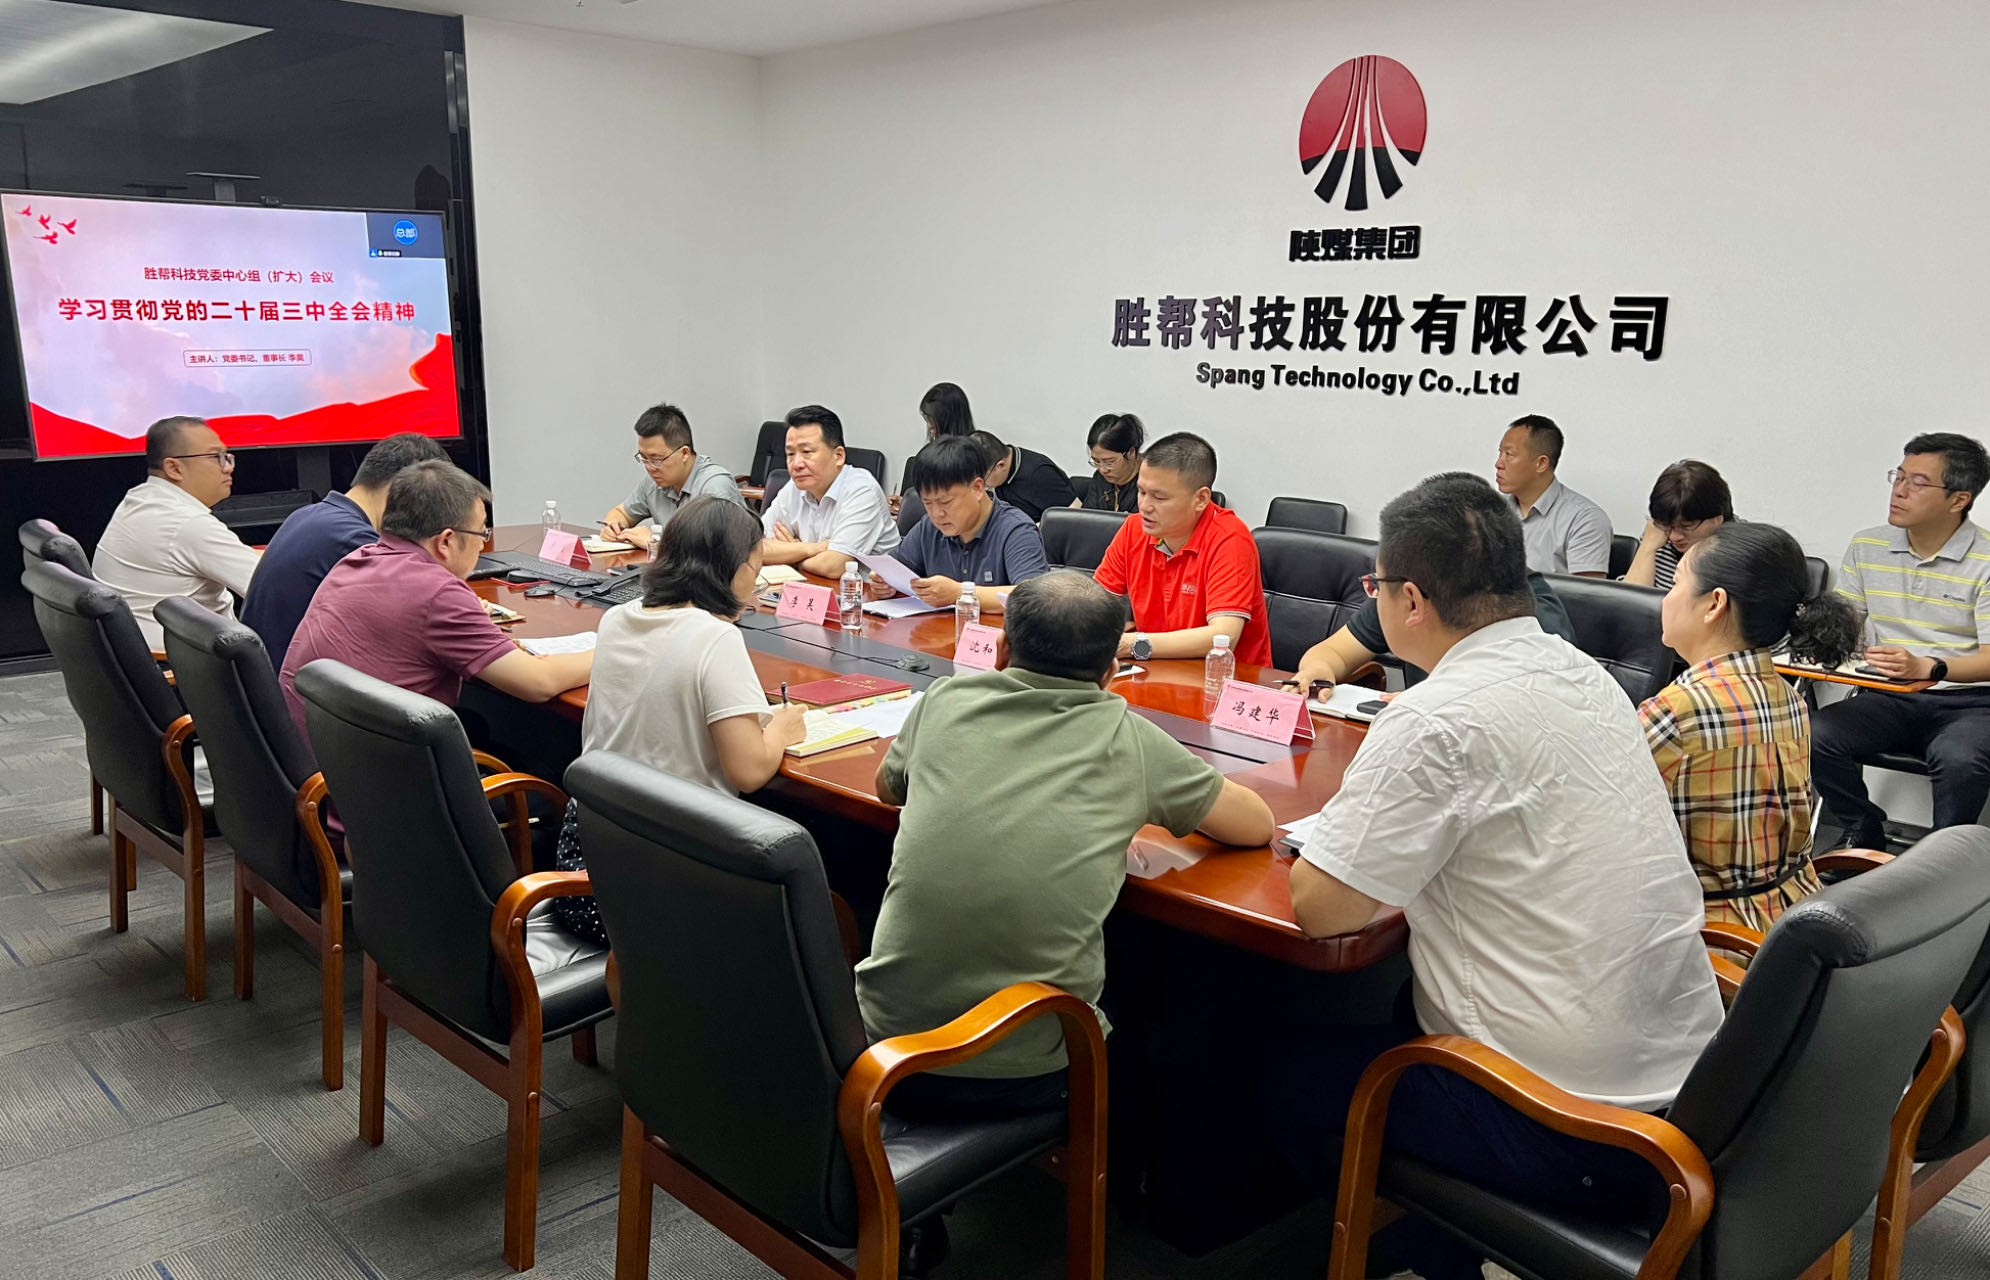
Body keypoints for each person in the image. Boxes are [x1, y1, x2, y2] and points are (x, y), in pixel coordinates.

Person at [1267, 472, 1722, 1280]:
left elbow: (1323, 910)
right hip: (1693, 1093)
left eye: (1377, 588)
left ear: (1410, 600)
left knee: (1280, 1073)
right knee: (1395, 1005)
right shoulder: (1586, 675)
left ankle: (1425, 1252)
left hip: (1566, 1125)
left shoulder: (1434, 716)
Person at [858, 571, 1275, 1120]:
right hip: (1020, 1068)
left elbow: (888, 789)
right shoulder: (1128, 739)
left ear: (1001, 649)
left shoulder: (945, 699)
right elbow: (1257, 825)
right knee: (1148, 1011)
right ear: (1110, 673)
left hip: (882, 1050)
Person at [550, 497, 807, 943]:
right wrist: (781, 727)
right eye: (757, 566)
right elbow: (748, 771)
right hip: (663, 891)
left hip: (585, 873)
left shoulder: (616, 619)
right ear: (733, 569)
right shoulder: (715, 637)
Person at [1642, 522, 1861, 928]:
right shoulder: (1790, 698)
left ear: (1714, 604)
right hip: (1792, 923)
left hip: (1712, 936)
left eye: (1674, 584)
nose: (1666, 599)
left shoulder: (1677, 712)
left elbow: (1600, 828)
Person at [279, 461, 593, 736]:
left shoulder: (357, 559)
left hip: (317, 761)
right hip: (371, 774)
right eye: (482, 534)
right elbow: (538, 683)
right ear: (446, 541)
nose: (482, 545)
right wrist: (611, 650)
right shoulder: (437, 593)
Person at [1813, 433, 1990, 846]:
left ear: (1958, 499)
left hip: (1971, 702)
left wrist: (1932, 667)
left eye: (1918, 482)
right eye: (1899, 476)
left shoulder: (1986, 559)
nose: (1900, 490)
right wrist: (1817, 639)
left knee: (1961, 761)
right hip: (1889, 694)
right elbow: (1844, 626)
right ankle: (1862, 829)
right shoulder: (1868, 545)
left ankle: (1944, 860)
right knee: (1813, 734)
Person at [242, 432, 448, 668]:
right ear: (402, 489)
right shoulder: (357, 541)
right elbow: (428, 616)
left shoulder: (309, 515)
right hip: (301, 684)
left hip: (274, 676)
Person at [1092, 432, 1271, 665]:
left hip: (1226, 678)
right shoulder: (1134, 529)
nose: (1144, 506)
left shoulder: (1230, 539)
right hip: (1155, 670)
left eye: (1159, 497)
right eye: (1141, 492)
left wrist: (1131, 644)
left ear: (1201, 499)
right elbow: (1095, 605)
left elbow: (1223, 636)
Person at [92, 416, 261, 648]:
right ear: (174, 468)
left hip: (148, 652)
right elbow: (272, 586)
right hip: (191, 659)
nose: (228, 467)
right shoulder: (188, 524)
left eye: (227, 457)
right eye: (216, 457)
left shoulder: (140, 499)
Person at [1284, 562, 1577, 692]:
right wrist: (1318, 669)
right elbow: (1335, 651)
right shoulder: (1404, 588)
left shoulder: (1528, 609)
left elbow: (1529, 700)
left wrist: (1431, 703)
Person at [881, 436, 1049, 613]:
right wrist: (885, 582)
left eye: (945, 502)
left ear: (977, 488)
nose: (937, 514)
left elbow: (1032, 598)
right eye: (928, 503)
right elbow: (896, 568)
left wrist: (959, 593)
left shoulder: (1016, 530)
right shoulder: (930, 527)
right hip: (936, 629)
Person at [759, 404, 900, 577]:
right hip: (810, 586)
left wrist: (790, 554)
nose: (796, 464)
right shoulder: (795, 488)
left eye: (807, 452)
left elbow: (834, 566)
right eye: (790, 454)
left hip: (863, 592)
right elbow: (754, 549)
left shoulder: (862, 490)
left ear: (838, 456)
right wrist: (806, 548)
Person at [598, 403, 746, 550]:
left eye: (656, 459)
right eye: (643, 458)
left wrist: (656, 542)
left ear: (684, 453)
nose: (649, 467)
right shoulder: (653, 482)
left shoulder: (715, 487)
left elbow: (718, 550)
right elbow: (621, 513)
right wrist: (613, 526)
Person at [1492, 413, 1613, 576]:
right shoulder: (1491, 510)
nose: (1498, 464)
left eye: (1509, 454)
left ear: (1541, 464)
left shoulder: (1585, 520)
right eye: (1500, 453)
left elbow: (1588, 591)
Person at [1624, 459, 1734, 590]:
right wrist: (1647, 548)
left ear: (1717, 519)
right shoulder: (1659, 535)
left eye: (1686, 526)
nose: (1674, 537)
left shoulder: (1745, 550)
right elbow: (1628, 600)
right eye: (1667, 525)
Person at [893, 382, 977, 527]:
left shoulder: (970, 457)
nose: (929, 425)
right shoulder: (928, 455)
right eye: (926, 419)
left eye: (931, 419)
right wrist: (906, 505)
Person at [970, 429, 1075, 521]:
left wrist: (1030, 529)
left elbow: (1074, 512)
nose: (982, 485)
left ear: (1001, 465)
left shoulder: (1040, 474)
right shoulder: (1000, 476)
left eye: (983, 478)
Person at [1077, 413, 1143, 513]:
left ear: (1131, 453)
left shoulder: (1150, 480)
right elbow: (1088, 518)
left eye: (1109, 462)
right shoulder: (1100, 478)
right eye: (1096, 461)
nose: (1102, 470)